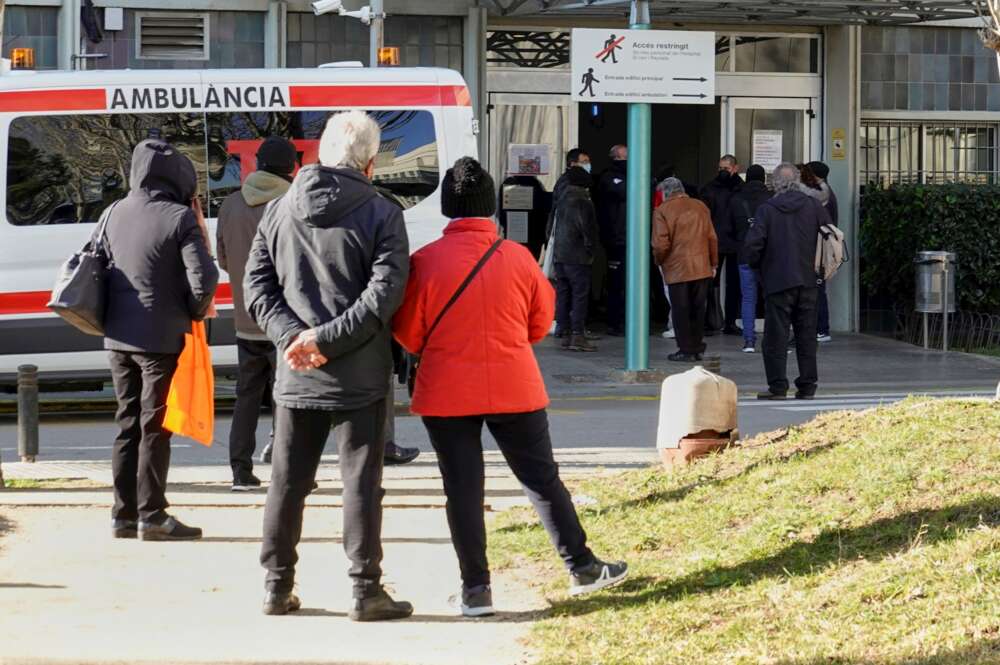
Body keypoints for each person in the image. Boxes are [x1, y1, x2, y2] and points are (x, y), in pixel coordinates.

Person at [394, 157, 628, 618]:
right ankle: (581, 566)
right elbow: (541, 322)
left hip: (446, 391)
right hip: (514, 385)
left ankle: (476, 589)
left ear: (447, 207)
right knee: (541, 480)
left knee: (462, 489)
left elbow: (408, 333)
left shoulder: (424, 262)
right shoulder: (518, 258)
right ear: (489, 209)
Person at [245, 111, 413, 620]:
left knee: (287, 481)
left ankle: (276, 586)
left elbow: (257, 288)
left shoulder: (277, 209)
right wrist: (326, 338)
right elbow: (383, 295)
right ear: (369, 160)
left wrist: (294, 338)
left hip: (297, 371)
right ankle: (365, 590)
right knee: (361, 482)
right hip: (359, 374)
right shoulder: (383, 212)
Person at [104, 139, 219, 541]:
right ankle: (152, 515)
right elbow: (205, 280)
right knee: (155, 427)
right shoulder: (178, 217)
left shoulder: (113, 212)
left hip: (117, 336)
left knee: (127, 423)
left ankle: (122, 514)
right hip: (161, 338)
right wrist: (191, 309)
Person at [217, 136, 297, 492]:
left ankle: (240, 470)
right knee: (287, 398)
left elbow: (222, 260)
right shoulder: (293, 203)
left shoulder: (230, 205)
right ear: (292, 167)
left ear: (258, 164)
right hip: (284, 320)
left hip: (245, 319)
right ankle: (285, 469)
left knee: (246, 398)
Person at [742, 163, 829, 401]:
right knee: (807, 335)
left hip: (778, 280)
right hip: (809, 280)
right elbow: (830, 234)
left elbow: (753, 245)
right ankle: (807, 384)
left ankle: (778, 386)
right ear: (799, 180)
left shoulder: (767, 209)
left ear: (775, 183)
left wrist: (757, 267)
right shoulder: (813, 205)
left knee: (775, 337)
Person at [651, 178, 718, 362]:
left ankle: (685, 349)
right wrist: (713, 263)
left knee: (681, 311)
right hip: (701, 266)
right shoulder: (700, 206)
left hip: (677, 268)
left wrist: (659, 261)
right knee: (698, 309)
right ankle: (697, 347)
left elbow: (660, 244)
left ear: (665, 193)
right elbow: (712, 237)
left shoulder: (662, 211)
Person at [547, 162, 600, 352]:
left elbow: (549, 228)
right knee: (579, 295)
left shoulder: (561, 200)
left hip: (560, 255)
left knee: (563, 293)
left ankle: (564, 330)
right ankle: (578, 334)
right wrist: (591, 251)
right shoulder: (583, 202)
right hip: (577, 257)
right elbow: (589, 232)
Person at [730, 164, 772, 354]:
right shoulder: (771, 199)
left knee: (748, 298)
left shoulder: (736, 199)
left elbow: (729, 228)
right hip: (768, 255)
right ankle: (773, 340)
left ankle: (749, 341)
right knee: (771, 298)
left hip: (744, 253)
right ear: (763, 178)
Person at [700, 154, 743, 336]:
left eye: (726, 168)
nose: (722, 172)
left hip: (733, 242)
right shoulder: (710, 188)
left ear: (735, 168)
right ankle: (711, 320)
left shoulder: (741, 189)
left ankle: (730, 321)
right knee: (711, 283)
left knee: (734, 284)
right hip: (716, 242)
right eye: (720, 169)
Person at [596, 144, 628, 336]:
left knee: (634, 283)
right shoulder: (608, 179)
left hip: (634, 238)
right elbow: (623, 192)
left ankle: (631, 320)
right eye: (623, 158)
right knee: (616, 283)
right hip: (616, 239)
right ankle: (615, 322)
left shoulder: (633, 176)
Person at [807, 161, 838, 344]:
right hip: (820, 247)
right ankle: (820, 328)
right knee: (817, 288)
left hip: (821, 248)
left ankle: (822, 329)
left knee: (818, 289)